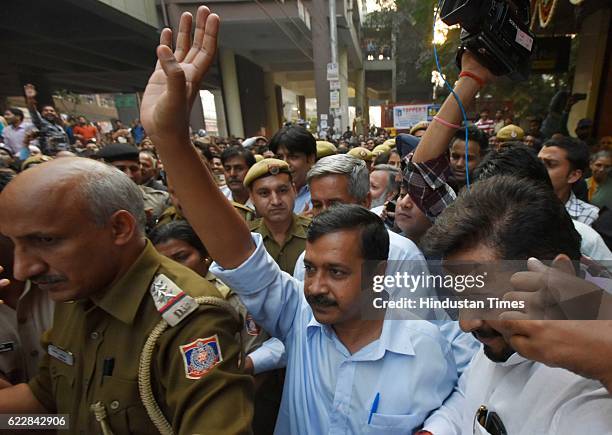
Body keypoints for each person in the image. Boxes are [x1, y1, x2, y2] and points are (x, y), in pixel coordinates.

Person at [138, 10, 468, 434]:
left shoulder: (430, 347)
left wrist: (439, 427)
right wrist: (171, 140)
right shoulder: (300, 317)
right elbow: (238, 253)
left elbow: (471, 390)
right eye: (310, 268)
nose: (314, 286)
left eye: (336, 272)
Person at [0, 157, 252, 433]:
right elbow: (49, 409)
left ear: (119, 228)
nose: (23, 269)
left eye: (46, 241)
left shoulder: (189, 320)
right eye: (14, 244)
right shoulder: (74, 292)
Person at [421, 175, 612, 433]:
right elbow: (469, 395)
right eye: (460, 298)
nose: (466, 323)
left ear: (559, 280)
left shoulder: (588, 400)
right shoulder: (504, 337)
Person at [244, 158, 310, 274]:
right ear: (252, 198)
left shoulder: (315, 233)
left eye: (282, 190)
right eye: (264, 193)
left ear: (294, 190)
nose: (276, 201)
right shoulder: (245, 238)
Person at [97, 143, 169, 227]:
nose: (129, 175)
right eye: (120, 169)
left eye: (134, 169)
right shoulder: (90, 202)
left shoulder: (160, 199)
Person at [538, 136, 599, 225]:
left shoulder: (591, 216)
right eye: (538, 162)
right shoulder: (516, 205)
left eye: (550, 164)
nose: (538, 169)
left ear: (573, 175)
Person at [268, 125, 317, 214]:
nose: (285, 163)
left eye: (293, 157)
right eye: (279, 157)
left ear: (310, 159)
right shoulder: (267, 194)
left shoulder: (321, 194)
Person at [23, 84, 69, 155]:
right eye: (46, 110)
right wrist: (30, 99)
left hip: (64, 155)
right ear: (41, 113)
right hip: (50, 156)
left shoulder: (59, 127)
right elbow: (32, 111)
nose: (49, 112)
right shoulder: (41, 123)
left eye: (52, 111)